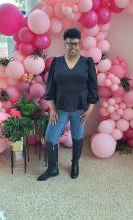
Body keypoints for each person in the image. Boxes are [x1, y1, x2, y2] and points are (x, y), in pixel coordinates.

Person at [37, 28, 99, 181]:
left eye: (76, 44)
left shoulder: (87, 63)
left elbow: (93, 88)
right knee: (50, 137)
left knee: (78, 136)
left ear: (80, 45)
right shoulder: (56, 63)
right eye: (70, 44)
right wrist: (52, 109)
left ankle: (75, 164)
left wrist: (89, 110)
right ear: (64, 44)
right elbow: (50, 87)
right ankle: (52, 168)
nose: (73, 47)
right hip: (60, 109)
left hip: (80, 109)